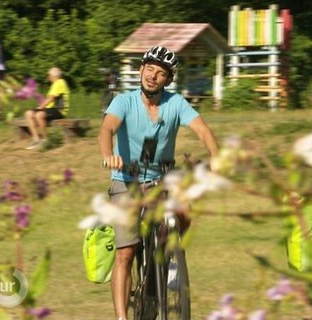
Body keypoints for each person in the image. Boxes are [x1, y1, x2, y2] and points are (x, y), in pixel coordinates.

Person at [98, 46, 219, 320]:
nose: (153, 76)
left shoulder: (175, 103)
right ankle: (121, 317)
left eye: (160, 73)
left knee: (185, 208)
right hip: (126, 182)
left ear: (168, 80)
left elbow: (202, 129)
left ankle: (170, 256)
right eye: (149, 69)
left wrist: (216, 155)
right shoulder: (123, 102)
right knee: (126, 253)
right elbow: (107, 129)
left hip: (162, 180)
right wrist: (108, 156)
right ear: (141, 70)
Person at [24, 67, 70, 150]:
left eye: (48, 75)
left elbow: (51, 98)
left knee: (39, 115)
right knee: (29, 113)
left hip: (60, 110)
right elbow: (49, 100)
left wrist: (40, 108)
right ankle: (36, 139)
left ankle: (45, 140)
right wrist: (39, 107)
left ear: (53, 76)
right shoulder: (54, 84)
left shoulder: (60, 82)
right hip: (51, 109)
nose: (48, 77)